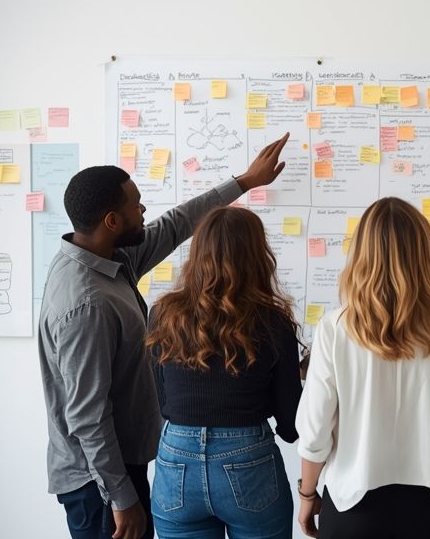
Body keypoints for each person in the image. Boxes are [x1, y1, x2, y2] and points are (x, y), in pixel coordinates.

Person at [37, 134, 289, 539]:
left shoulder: (110, 259)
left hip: (137, 464)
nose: (144, 209)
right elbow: (85, 415)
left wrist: (243, 182)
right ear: (111, 222)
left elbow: (175, 225)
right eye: (135, 204)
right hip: (98, 484)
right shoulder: (86, 303)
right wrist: (122, 498)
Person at [294, 197, 430, 539]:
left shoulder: (335, 328)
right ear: (424, 255)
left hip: (352, 510)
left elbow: (315, 433)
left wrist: (307, 496)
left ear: (361, 254)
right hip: (427, 511)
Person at [145, 206, 302, 538]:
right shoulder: (273, 322)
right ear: (258, 256)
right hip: (248, 456)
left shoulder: (163, 314)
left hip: (176, 457)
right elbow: (290, 426)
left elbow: (163, 400)